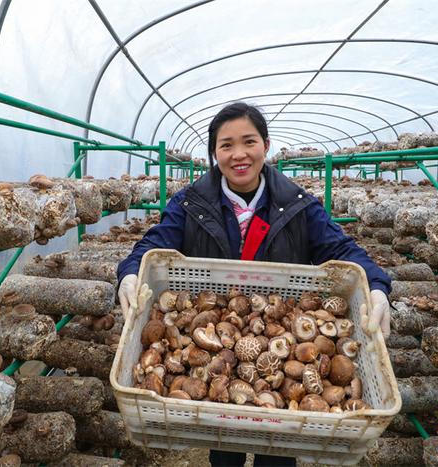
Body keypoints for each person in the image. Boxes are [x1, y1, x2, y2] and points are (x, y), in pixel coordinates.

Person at [117, 102, 391, 467]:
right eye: (226, 145)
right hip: (216, 331)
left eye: (249, 141)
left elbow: (341, 249)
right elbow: (153, 245)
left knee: (277, 454)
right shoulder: (190, 204)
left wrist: (375, 285)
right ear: (214, 153)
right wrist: (132, 273)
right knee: (223, 443)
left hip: (278, 331)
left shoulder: (297, 205)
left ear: (266, 144)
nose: (239, 154)